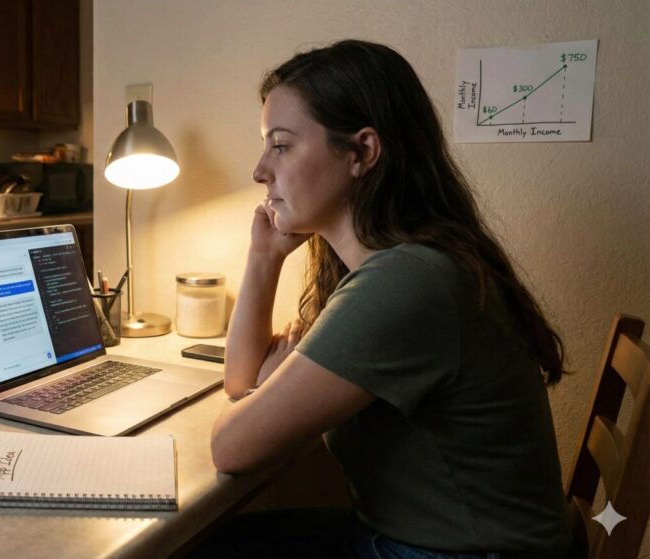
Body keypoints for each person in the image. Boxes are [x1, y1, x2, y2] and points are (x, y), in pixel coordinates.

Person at [199, 40, 574, 558]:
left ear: (363, 153)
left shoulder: (406, 283)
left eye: (280, 145)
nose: (260, 171)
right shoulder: (403, 265)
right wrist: (264, 259)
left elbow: (232, 447)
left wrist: (263, 400)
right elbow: (241, 382)